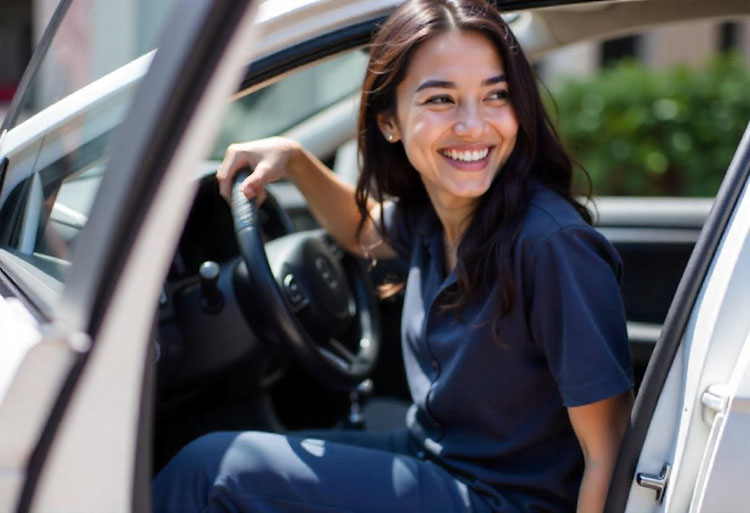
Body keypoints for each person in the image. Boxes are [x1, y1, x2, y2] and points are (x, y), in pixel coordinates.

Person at [153, 0, 634, 511]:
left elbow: (608, 453)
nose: (474, 126)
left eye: (496, 95)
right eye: (442, 100)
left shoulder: (550, 244)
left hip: (501, 499)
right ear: (389, 122)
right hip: (432, 457)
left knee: (212, 470)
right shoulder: (440, 213)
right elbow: (363, 230)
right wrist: (295, 159)